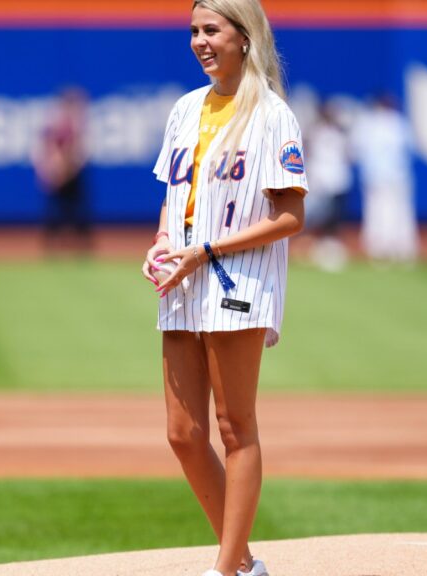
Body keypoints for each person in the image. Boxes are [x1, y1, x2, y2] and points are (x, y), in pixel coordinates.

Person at [142, 1, 308, 575]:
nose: (199, 41)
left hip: (238, 282)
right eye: (193, 30)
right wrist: (162, 241)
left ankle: (225, 568)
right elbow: (174, 194)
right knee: (183, 434)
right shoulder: (186, 109)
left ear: (245, 36)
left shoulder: (272, 115)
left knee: (235, 427)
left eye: (210, 30)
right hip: (182, 279)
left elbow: (290, 215)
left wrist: (206, 251)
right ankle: (245, 564)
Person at [350, 93, 418, 263]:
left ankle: (379, 248)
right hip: (397, 174)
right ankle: (401, 249)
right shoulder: (400, 123)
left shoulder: (367, 123)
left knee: (377, 212)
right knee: (399, 213)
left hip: (376, 175)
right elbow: (411, 149)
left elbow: (354, 151)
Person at [31, 86, 92, 256]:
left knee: (78, 210)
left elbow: (81, 153)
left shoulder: (78, 126)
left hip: (73, 175)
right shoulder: (55, 125)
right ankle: (50, 245)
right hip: (57, 175)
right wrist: (48, 170)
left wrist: (70, 170)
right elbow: (43, 150)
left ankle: (83, 246)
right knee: (55, 210)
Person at [303, 99, 352, 271]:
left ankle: (328, 247)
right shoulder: (315, 132)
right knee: (316, 216)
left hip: (337, 180)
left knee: (334, 218)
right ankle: (316, 246)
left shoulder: (339, 133)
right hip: (321, 180)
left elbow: (348, 155)